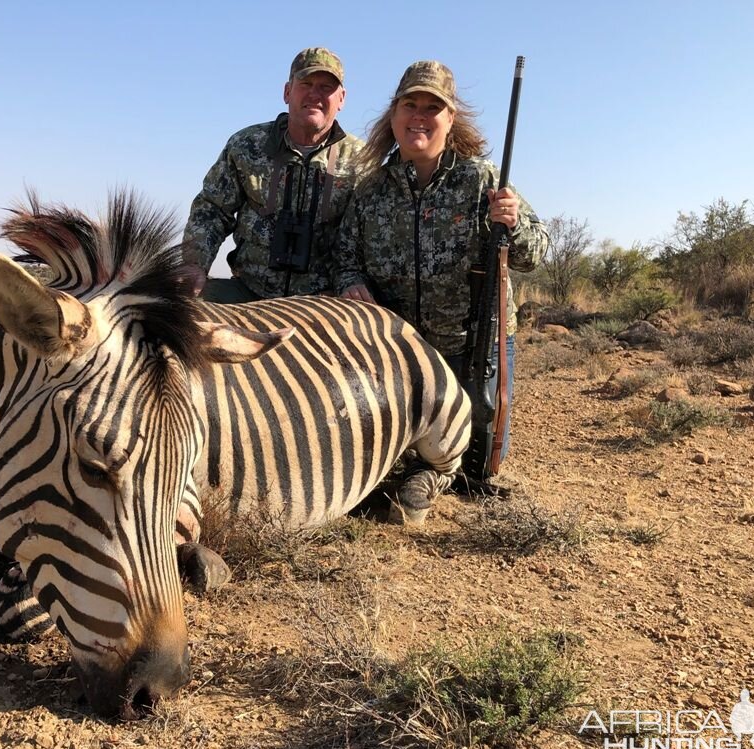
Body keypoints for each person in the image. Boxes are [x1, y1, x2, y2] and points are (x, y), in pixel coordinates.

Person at [333, 60, 549, 515]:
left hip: (473, 347)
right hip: (399, 356)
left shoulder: (484, 180)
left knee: (480, 463)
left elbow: (535, 252)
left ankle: (433, 477)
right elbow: (343, 258)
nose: (420, 116)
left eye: (434, 107)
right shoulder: (370, 190)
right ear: (393, 116)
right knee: (382, 453)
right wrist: (351, 283)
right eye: (410, 104)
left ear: (451, 120)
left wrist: (513, 224)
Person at [183, 47, 366, 302]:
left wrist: (350, 282)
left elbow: (364, 237)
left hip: (323, 302)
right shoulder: (246, 145)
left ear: (342, 99)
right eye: (306, 84)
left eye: (326, 87)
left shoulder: (362, 160)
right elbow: (212, 209)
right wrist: (195, 264)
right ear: (287, 92)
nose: (315, 94)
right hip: (248, 292)